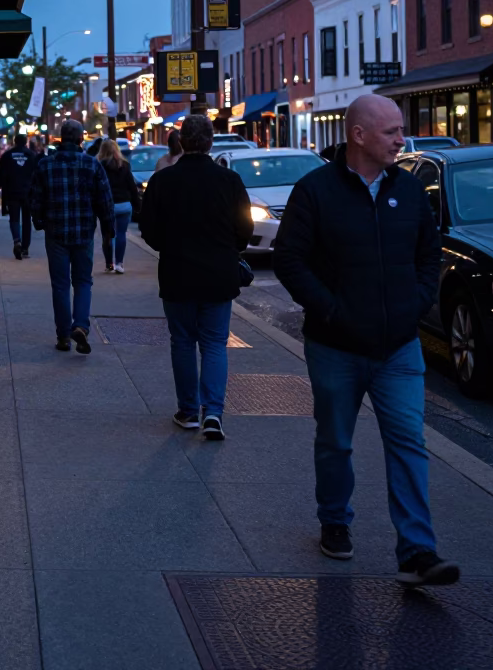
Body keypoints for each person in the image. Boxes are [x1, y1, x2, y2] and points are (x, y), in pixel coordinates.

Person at [273, 95, 458, 588]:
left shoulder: (411, 190)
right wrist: (331, 309)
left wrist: (415, 304)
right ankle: (334, 520)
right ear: (359, 135)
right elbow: (290, 259)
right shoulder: (315, 191)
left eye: (400, 131)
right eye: (391, 131)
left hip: (399, 346)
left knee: (408, 442)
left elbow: (428, 255)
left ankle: (417, 551)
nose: (402, 139)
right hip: (335, 346)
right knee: (336, 441)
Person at [140, 115, 253, 440]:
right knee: (216, 344)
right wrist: (231, 248)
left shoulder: (163, 181)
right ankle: (213, 412)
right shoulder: (229, 181)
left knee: (183, 342)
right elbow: (244, 227)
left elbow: (148, 227)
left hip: (177, 272)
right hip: (219, 274)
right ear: (210, 141)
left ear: (181, 141)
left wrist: (167, 246)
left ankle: (188, 410)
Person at [29, 118, 114, 354]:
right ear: (80, 139)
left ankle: (64, 335)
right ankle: (81, 325)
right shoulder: (91, 164)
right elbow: (104, 200)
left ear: (60, 139)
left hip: (56, 232)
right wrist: (109, 229)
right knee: (83, 281)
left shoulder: (45, 165)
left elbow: (35, 198)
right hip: (84, 232)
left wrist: (39, 221)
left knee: (60, 285)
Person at [97, 139, 140, 273]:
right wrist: (137, 205)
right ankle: (119, 264)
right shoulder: (125, 165)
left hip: (107, 206)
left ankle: (109, 264)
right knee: (121, 234)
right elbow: (132, 187)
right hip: (124, 204)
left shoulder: (100, 166)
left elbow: (97, 188)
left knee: (107, 235)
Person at [0, 132, 38, 259]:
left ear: (14, 141)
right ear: (26, 142)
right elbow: (37, 174)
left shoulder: (7, 155)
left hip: (11, 191)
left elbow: (0, 173)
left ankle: (16, 240)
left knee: (14, 218)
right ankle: (25, 248)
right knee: (26, 220)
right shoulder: (31, 155)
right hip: (28, 192)